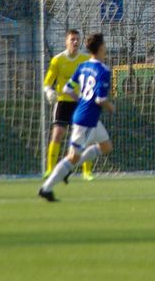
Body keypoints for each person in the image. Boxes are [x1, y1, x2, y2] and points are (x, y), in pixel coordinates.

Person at [39, 33, 114, 202]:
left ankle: (69, 169)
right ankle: (46, 188)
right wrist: (110, 106)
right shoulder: (103, 70)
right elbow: (100, 99)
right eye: (105, 46)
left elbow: (66, 89)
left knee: (106, 146)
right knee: (72, 156)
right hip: (87, 120)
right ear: (101, 48)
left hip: (90, 117)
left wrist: (80, 100)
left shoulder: (83, 66)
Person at [42, 29, 93, 180]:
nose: (75, 42)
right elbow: (47, 83)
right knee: (57, 134)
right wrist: (49, 92)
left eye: (77, 39)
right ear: (66, 41)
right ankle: (50, 170)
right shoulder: (57, 60)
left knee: (85, 137)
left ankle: (86, 172)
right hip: (63, 102)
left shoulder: (85, 60)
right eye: (72, 39)